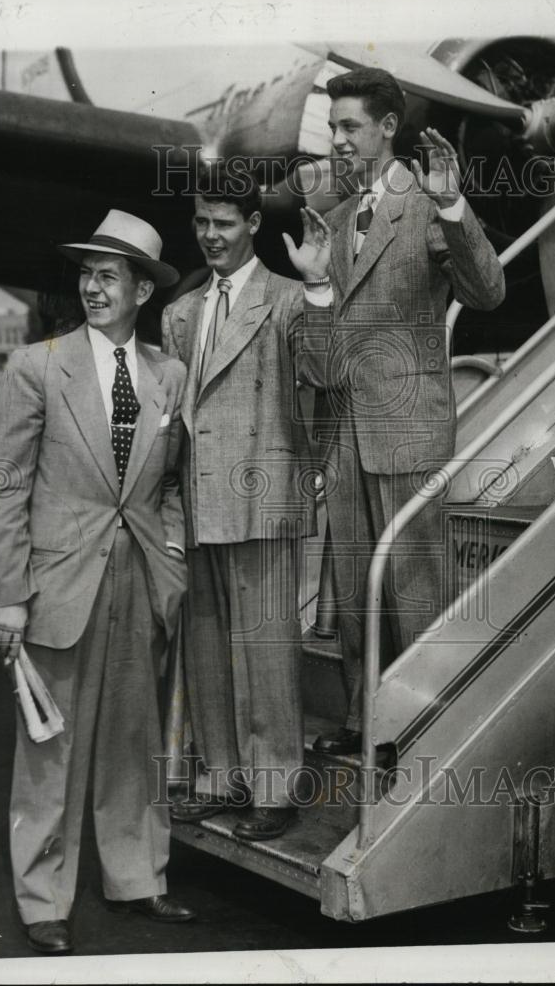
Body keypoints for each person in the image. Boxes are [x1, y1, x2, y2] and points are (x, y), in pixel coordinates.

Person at [0, 210, 195, 955]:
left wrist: (169, 551)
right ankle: (44, 897)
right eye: (86, 274)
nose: (93, 287)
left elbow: (169, 482)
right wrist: (12, 593)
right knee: (52, 747)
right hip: (57, 584)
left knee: (135, 739)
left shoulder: (167, 375)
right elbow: (4, 489)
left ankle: (137, 878)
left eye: (109, 276)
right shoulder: (38, 367)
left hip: (141, 576)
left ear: (142, 289)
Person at [284, 67, 506, 755]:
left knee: (413, 587)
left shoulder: (423, 205)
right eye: (332, 128)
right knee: (354, 590)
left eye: (350, 127)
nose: (338, 142)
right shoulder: (341, 220)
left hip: (408, 430)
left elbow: (489, 291)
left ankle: (423, 728)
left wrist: (453, 208)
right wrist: (317, 291)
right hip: (345, 434)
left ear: (387, 128)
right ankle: (362, 718)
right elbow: (321, 366)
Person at [162, 168, 315, 841]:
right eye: (201, 222)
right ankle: (220, 778)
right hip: (198, 504)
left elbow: (328, 370)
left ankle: (275, 788)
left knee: (267, 652)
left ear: (253, 224)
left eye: (224, 223)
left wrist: (321, 286)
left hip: (261, 497)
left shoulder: (289, 299)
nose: (210, 236)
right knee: (207, 650)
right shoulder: (178, 313)